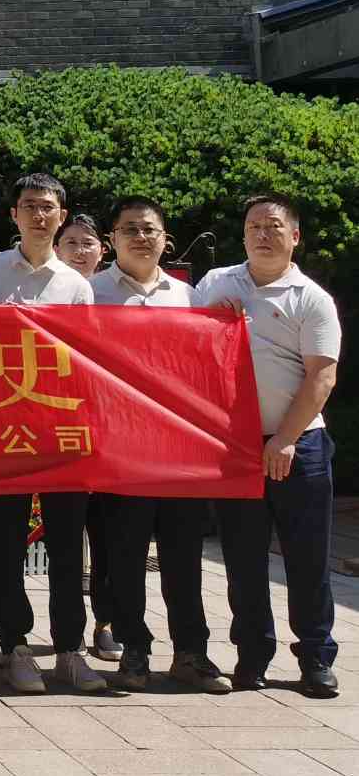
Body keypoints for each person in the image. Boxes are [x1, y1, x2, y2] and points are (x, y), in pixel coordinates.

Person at [0, 173, 104, 695]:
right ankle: (16, 644)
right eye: (29, 206)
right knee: (4, 542)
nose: (38, 215)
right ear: (13, 215)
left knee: (66, 544)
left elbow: (85, 361)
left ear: (61, 216)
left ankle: (69, 649)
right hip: (3, 429)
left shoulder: (77, 285)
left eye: (47, 207)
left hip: (59, 431)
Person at [200, 194, 342, 698]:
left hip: (299, 444)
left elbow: (321, 376)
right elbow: (184, 347)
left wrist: (284, 439)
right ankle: (252, 655)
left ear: (294, 236)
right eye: (254, 226)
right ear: (243, 235)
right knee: (242, 559)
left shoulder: (312, 298)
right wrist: (212, 319)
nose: (263, 234)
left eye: (274, 226)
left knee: (307, 558)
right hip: (234, 445)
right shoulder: (216, 284)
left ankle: (316, 657)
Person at [93, 197, 227, 694]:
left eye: (149, 229)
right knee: (124, 557)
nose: (140, 238)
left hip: (178, 453)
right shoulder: (90, 295)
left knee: (183, 557)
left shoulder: (189, 298)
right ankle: (134, 648)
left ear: (165, 239)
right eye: (129, 229)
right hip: (121, 449)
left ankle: (191, 652)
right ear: (112, 239)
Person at [54, 211, 120, 662]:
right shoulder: (53, 292)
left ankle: (107, 622)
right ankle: (66, 631)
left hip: (110, 433)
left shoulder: (116, 294)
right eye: (71, 243)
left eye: (88, 243)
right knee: (63, 541)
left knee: (108, 536)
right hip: (57, 429)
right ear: (57, 249)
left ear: (103, 249)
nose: (80, 251)